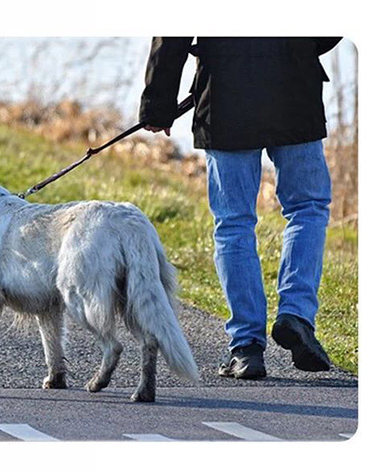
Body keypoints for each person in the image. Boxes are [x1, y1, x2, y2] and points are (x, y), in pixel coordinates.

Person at [139, 37, 341, 379]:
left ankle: (246, 348)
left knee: (234, 223)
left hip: (225, 94)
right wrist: (299, 47)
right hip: (294, 86)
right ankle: (296, 315)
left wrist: (158, 103)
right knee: (307, 208)